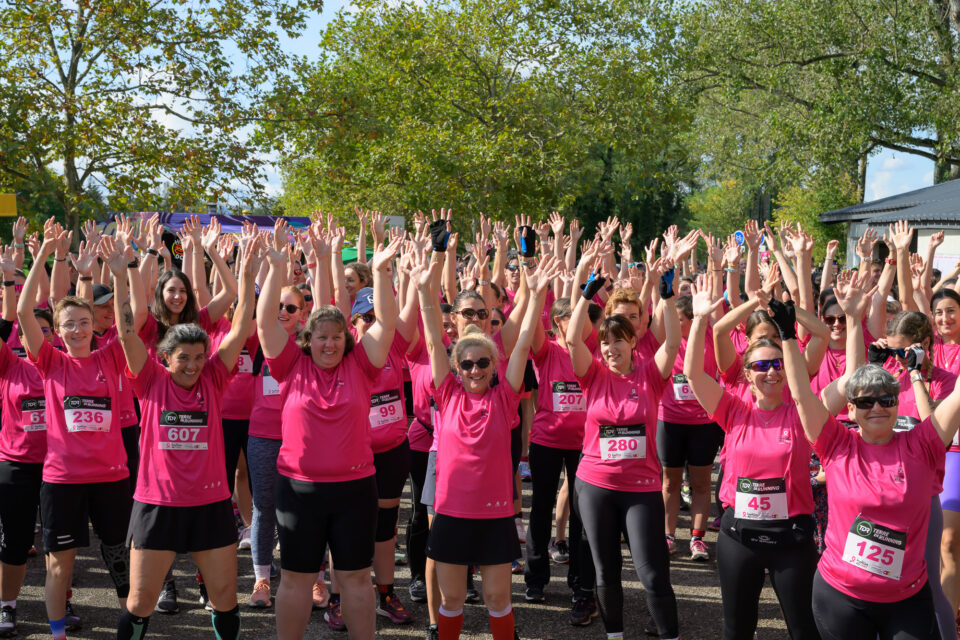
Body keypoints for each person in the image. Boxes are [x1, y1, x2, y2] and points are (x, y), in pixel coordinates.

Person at [775, 270, 960, 639]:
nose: (877, 406)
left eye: (886, 399)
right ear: (853, 409)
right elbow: (801, 397)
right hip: (842, 597)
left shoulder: (922, 444)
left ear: (896, 404)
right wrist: (786, 337)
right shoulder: (835, 444)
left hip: (907, 599)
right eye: (866, 401)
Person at [258, 218, 402, 640]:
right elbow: (266, 321)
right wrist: (273, 266)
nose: (329, 344)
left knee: (357, 579)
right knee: (298, 579)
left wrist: (380, 271)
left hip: (355, 489)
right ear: (308, 338)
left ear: (346, 338)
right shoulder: (290, 365)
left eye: (337, 337)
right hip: (299, 489)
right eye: (321, 337)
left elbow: (387, 324)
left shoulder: (362, 365)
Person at [111, 234, 258, 639]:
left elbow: (243, 321)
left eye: (198, 357)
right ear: (165, 358)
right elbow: (126, 332)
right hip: (157, 505)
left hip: (210, 504)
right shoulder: (150, 380)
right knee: (140, 601)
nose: (192, 365)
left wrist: (246, 269)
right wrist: (121, 273)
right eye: (183, 359)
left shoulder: (214, 377)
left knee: (225, 594)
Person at [417, 245, 560, 640]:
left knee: (498, 600)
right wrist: (424, 292)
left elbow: (525, 336)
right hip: (451, 512)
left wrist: (536, 293)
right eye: (467, 364)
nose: (475, 369)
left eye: (483, 363)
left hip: (495, 515)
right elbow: (432, 342)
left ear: (493, 365)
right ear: (456, 369)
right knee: (452, 601)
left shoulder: (505, 396)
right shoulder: (447, 394)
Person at [683, 275, 821, 640]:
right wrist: (699, 320)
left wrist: (789, 317)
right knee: (737, 628)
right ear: (747, 373)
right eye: (760, 367)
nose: (771, 372)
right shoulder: (732, 408)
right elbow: (693, 373)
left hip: (791, 537)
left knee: (804, 628)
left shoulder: (803, 409)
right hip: (739, 536)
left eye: (777, 364)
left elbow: (823, 337)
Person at [17, 219, 134, 640]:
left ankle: (130, 628)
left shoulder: (110, 357)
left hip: (110, 478)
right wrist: (42, 255)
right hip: (62, 480)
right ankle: (57, 633)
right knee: (58, 564)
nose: (78, 329)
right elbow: (21, 312)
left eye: (85, 322)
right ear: (60, 331)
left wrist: (120, 275)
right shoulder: (50, 362)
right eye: (69, 324)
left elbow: (129, 323)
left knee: (120, 556)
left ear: (93, 326)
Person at [565, 243, 683, 640]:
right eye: (605, 344)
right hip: (596, 485)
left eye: (619, 342)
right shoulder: (593, 374)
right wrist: (585, 295)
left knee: (651, 572)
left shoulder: (650, 375)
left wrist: (666, 295)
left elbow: (671, 343)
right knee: (605, 569)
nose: (612, 349)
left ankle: (670, 634)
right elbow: (570, 340)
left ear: (633, 342)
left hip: (641, 488)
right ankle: (614, 635)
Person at [0, 246, 53, 637]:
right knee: (16, 541)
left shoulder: (65, 365)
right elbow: (13, 318)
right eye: (35, 329)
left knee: (58, 546)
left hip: (59, 468)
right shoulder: (9, 364)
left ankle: (60, 603)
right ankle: (7, 606)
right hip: (16, 465)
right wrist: (8, 279)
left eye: (49, 329)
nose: (42, 335)